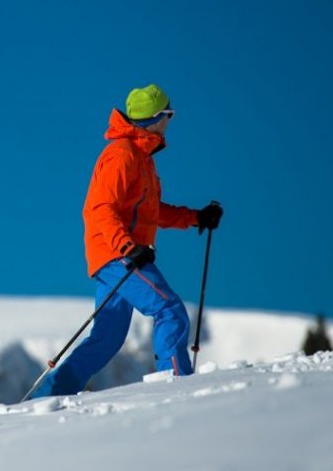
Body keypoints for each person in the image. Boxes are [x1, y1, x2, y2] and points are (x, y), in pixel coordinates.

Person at [32, 84, 223, 397]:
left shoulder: (142, 158)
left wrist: (196, 217)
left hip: (120, 253)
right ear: (155, 118)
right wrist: (127, 247)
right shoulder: (122, 155)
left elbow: (151, 212)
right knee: (169, 309)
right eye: (169, 114)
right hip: (118, 252)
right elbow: (100, 209)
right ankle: (175, 384)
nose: (171, 121)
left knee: (106, 339)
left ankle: (48, 396)